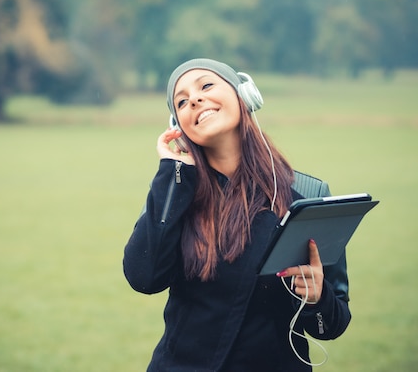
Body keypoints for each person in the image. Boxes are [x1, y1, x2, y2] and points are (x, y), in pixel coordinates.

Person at [123, 58, 351, 371]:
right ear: (178, 127)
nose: (195, 99)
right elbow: (143, 278)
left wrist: (317, 297)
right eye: (182, 101)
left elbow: (331, 325)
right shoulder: (174, 194)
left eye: (206, 85)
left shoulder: (308, 195)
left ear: (244, 95)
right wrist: (172, 172)